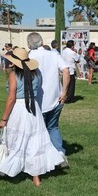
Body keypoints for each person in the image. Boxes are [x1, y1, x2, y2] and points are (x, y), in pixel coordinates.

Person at [0, 47, 66, 187]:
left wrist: (4, 119)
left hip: (20, 109)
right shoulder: (36, 73)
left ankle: (11, 169)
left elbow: (11, 99)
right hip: (34, 108)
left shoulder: (14, 75)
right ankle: (36, 177)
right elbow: (37, 89)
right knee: (35, 141)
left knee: (17, 139)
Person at [27, 32, 70, 165]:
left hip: (36, 100)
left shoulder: (29, 57)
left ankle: (42, 156)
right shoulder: (53, 54)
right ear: (42, 41)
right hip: (56, 97)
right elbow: (66, 70)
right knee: (53, 127)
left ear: (29, 44)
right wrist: (64, 92)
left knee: (38, 129)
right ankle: (59, 152)